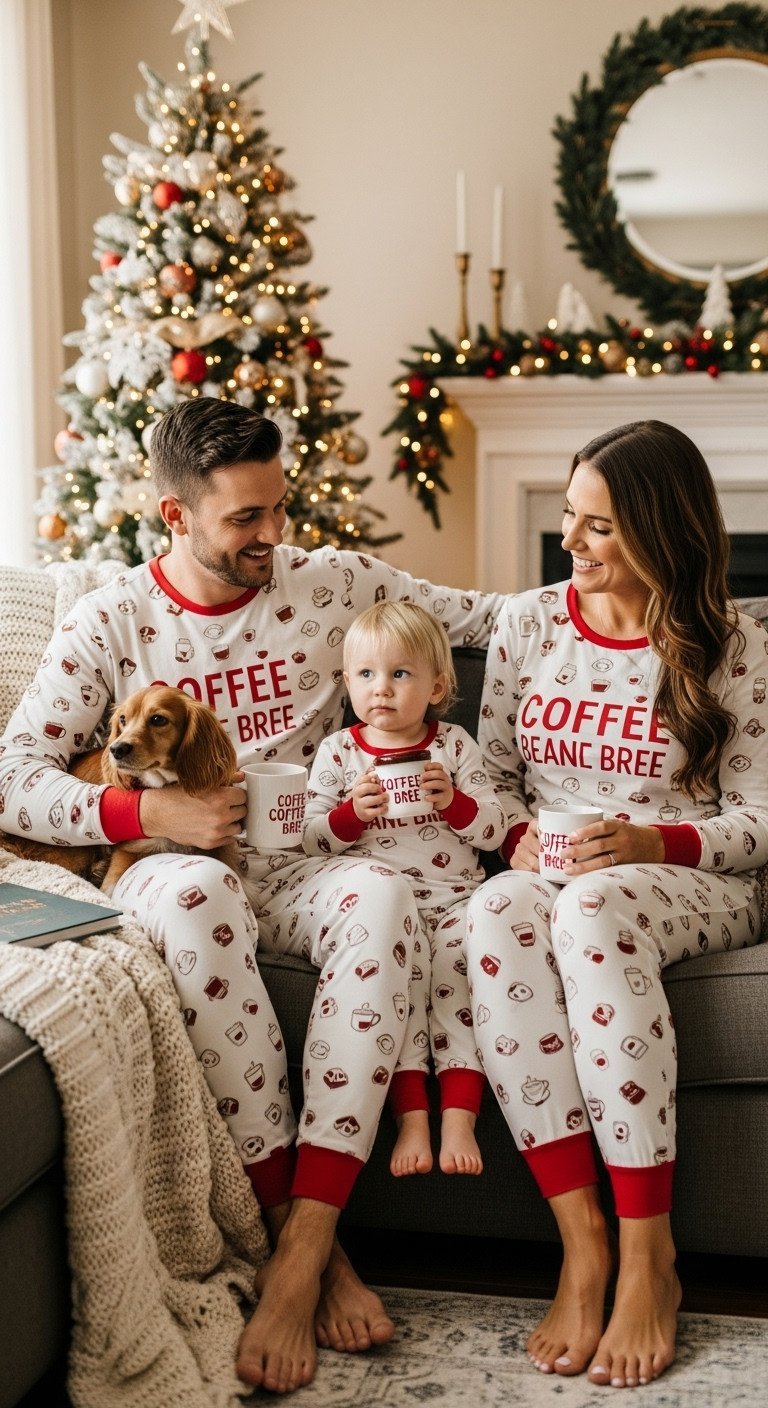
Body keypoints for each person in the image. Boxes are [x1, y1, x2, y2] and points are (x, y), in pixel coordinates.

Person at [0, 396, 503, 1396]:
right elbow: (13, 772)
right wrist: (146, 821)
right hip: (182, 867)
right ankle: (286, 1230)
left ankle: (309, 1244)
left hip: (313, 860)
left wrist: (651, 603)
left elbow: (489, 620)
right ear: (174, 515)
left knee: (387, 899)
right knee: (197, 904)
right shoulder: (111, 619)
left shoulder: (332, 581)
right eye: (245, 519)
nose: (274, 535)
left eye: (280, 507)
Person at [465, 420, 768, 1390]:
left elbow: (760, 819)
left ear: (657, 529)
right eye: (567, 519)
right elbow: (494, 778)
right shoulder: (529, 623)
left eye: (598, 527)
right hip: (557, 865)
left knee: (590, 911)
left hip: (689, 877)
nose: (572, 545)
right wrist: (512, 836)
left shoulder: (733, 643)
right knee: (499, 913)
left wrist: (652, 841)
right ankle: (583, 1242)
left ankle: (651, 1258)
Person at [302, 600, 508, 1178]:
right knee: (400, 1001)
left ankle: (460, 1116)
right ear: (347, 683)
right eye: (365, 675)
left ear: (438, 686)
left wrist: (454, 802)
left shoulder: (455, 748)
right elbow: (312, 838)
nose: (381, 690)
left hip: (454, 902)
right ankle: (412, 1117)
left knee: (456, 993)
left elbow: (494, 829)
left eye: (400, 674)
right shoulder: (340, 752)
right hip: (384, 911)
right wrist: (351, 816)